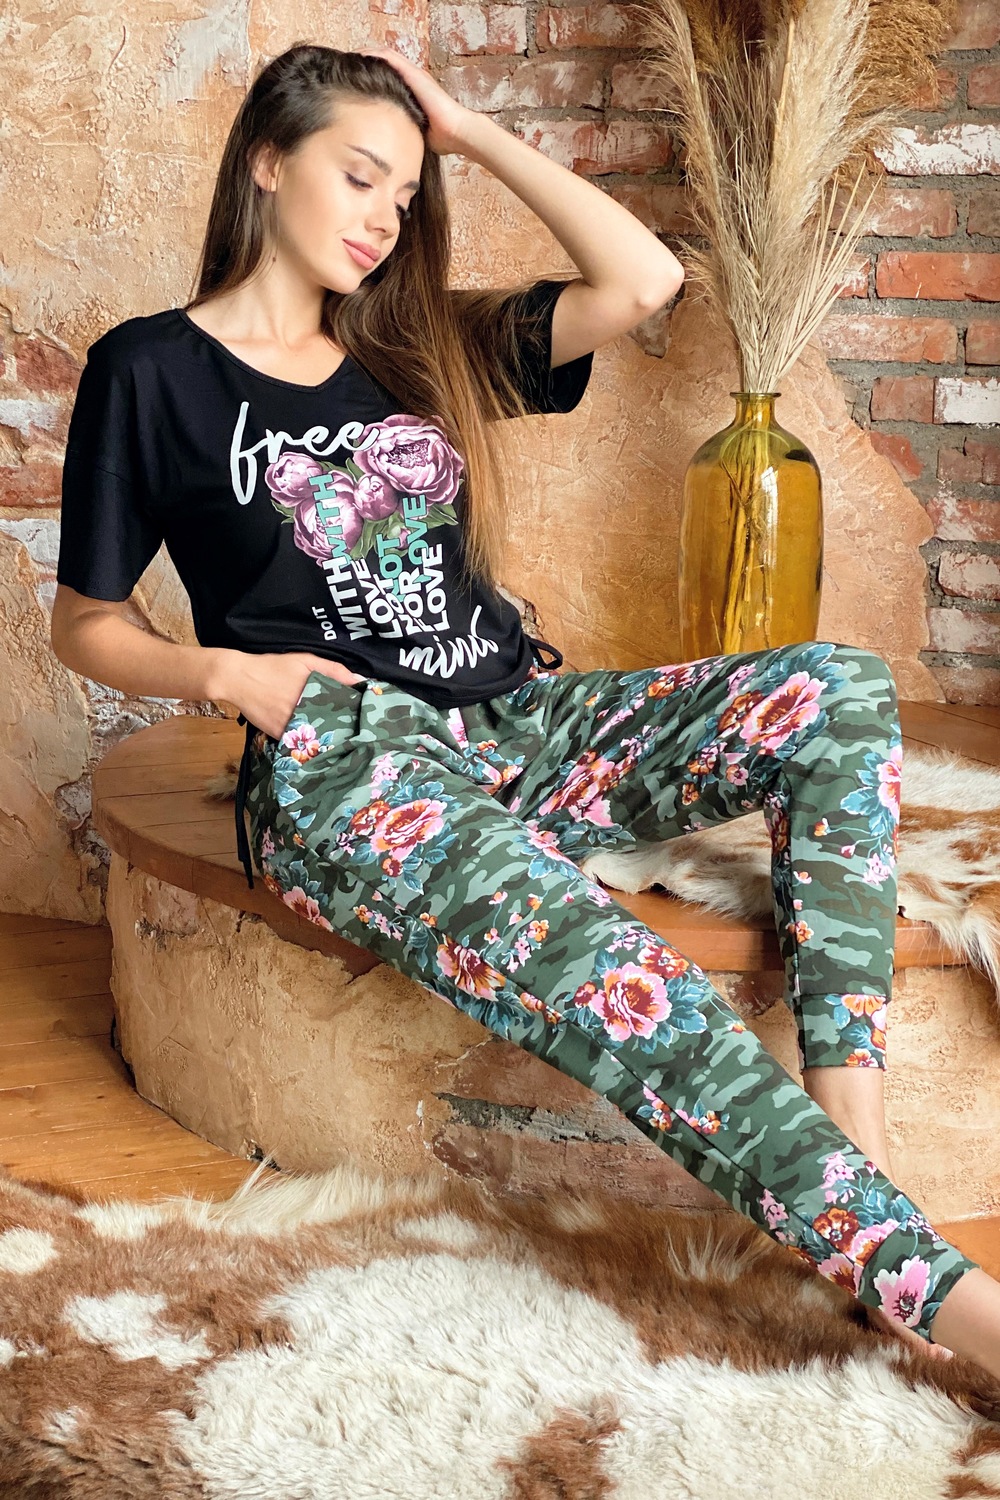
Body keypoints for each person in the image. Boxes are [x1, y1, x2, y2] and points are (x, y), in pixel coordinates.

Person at [50, 41, 1000, 1386]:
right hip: (348, 763)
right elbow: (85, 624)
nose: (384, 218)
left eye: (404, 193)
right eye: (359, 177)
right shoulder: (150, 372)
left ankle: (861, 1164)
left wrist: (471, 135)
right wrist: (231, 677)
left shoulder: (412, 343)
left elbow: (645, 281)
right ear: (265, 160)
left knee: (836, 689)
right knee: (631, 982)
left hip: (518, 721)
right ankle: (949, 1304)